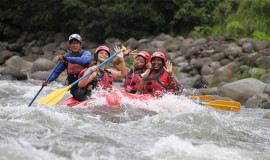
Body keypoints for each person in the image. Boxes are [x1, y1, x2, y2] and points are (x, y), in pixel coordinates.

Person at [42, 34, 91, 101]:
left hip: (87, 83)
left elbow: (84, 60)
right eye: (72, 43)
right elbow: (56, 72)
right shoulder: (65, 58)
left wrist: (67, 59)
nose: (75, 45)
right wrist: (48, 81)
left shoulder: (86, 54)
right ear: (69, 45)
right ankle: (86, 99)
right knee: (80, 95)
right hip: (75, 86)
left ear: (81, 45)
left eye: (77, 43)